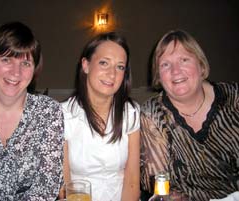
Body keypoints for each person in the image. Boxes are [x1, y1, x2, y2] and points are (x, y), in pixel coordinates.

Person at [140, 29, 239, 201]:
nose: (175, 71)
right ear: (158, 76)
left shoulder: (234, 98)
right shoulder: (153, 112)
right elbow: (157, 180)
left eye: (184, 60)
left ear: (201, 65)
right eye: (165, 64)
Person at [0, 22, 64, 200]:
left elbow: (46, 188)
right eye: (6, 59)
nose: (16, 72)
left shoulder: (48, 112)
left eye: (26, 63)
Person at [60, 32, 140, 201]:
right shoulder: (62, 115)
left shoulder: (131, 113)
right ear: (86, 65)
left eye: (120, 67)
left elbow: (132, 181)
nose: (112, 74)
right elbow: (64, 187)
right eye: (104, 63)